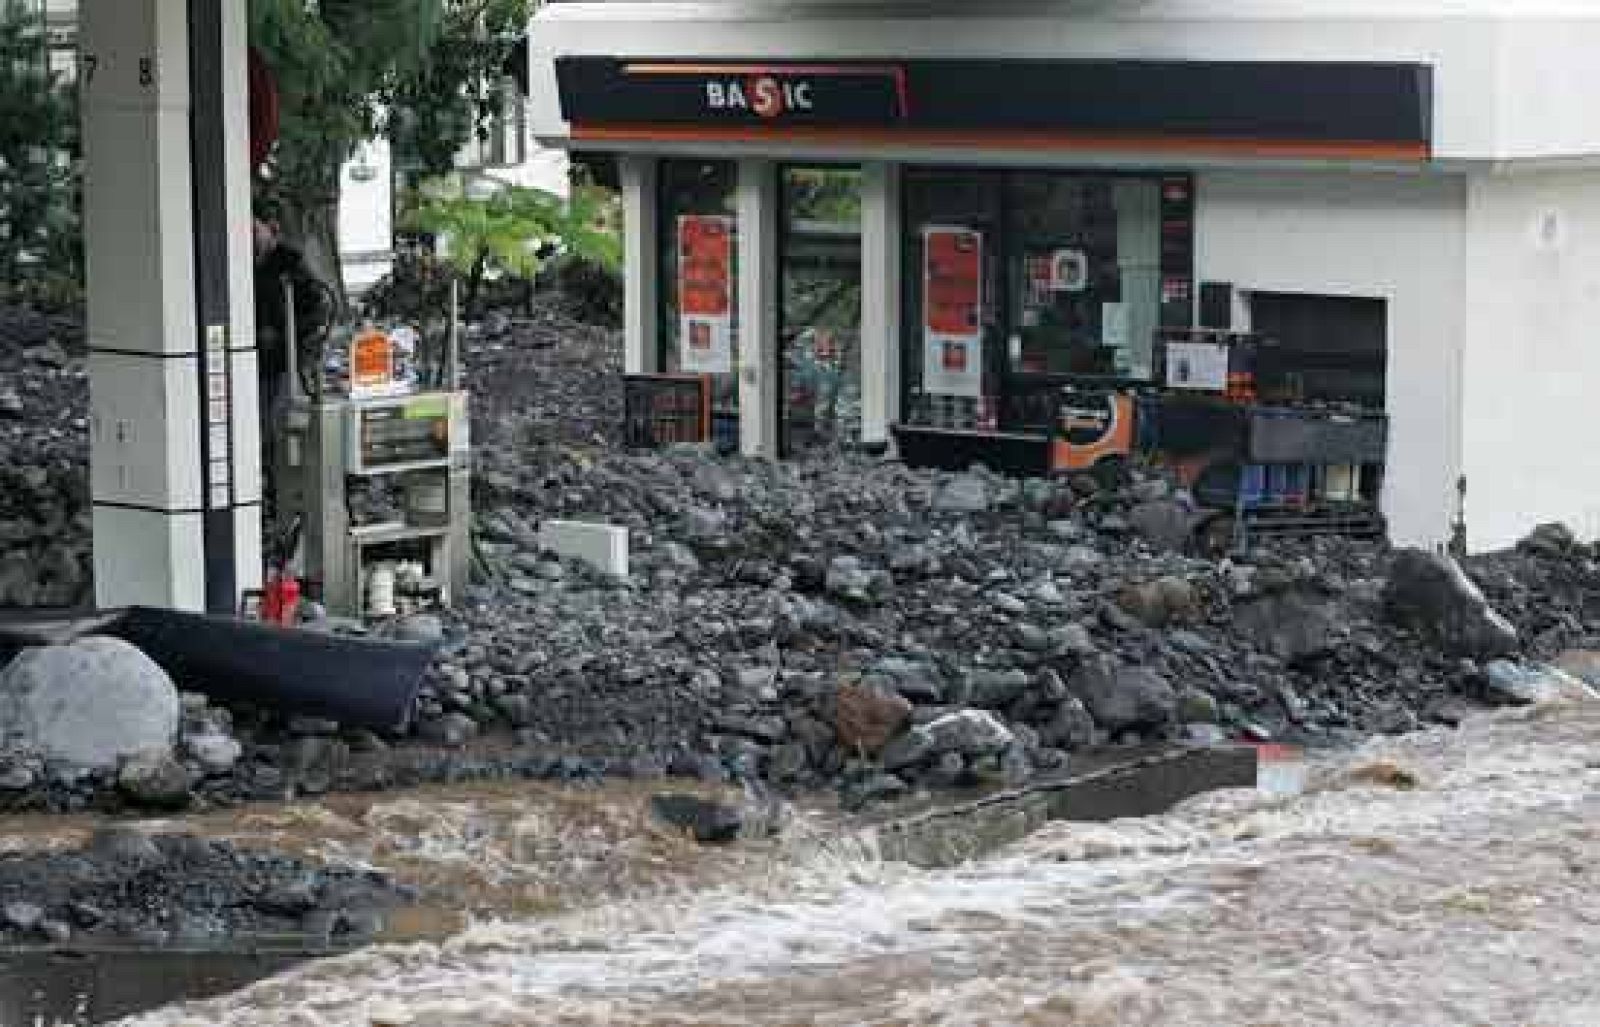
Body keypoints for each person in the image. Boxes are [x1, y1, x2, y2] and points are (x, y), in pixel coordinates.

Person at [253, 218, 333, 529]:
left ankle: (288, 501)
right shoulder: (239, 264)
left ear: (272, 229)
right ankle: (271, 499)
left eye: (255, 232)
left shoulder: (290, 263)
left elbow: (319, 310)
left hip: (288, 359)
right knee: (262, 431)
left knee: (282, 425)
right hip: (256, 362)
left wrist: (286, 333)